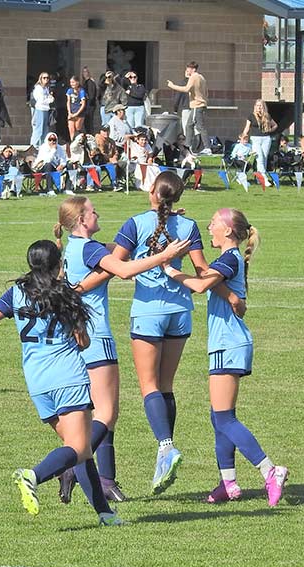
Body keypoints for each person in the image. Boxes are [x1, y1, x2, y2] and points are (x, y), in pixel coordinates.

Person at [0, 240, 123, 527]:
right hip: (67, 377)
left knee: (75, 449)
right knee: (80, 449)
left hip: (37, 382)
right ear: (57, 265)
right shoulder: (65, 294)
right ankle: (33, 475)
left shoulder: (16, 293)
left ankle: (105, 514)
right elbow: (83, 342)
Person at [54, 196, 190, 502]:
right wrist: (165, 255)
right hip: (96, 337)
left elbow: (122, 250)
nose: (98, 213)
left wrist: (161, 222)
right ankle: (71, 465)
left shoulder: (78, 246)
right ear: (82, 220)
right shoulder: (89, 249)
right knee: (107, 413)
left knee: (103, 413)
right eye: (93, 211)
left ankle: (105, 479)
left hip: (79, 335)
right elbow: (125, 270)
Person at [161, 208, 288, 506]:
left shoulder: (230, 259)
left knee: (224, 418)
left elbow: (200, 284)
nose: (209, 226)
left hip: (229, 344)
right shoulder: (228, 260)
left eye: (214, 223)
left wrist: (168, 268)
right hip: (225, 345)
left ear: (228, 230)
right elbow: (209, 276)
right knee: (218, 417)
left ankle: (270, 471)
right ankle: (227, 483)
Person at [108, 171, 214, 494]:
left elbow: (115, 263)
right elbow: (202, 270)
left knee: (149, 386)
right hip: (180, 311)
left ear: (153, 191)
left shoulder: (135, 223)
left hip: (148, 311)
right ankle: (163, 454)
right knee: (166, 385)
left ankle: (166, 447)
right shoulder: (188, 226)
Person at [166, 61, 212, 155]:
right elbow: (206, 92)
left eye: (189, 69)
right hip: (200, 104)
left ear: (193, 69)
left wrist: (172, 86)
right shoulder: (201, 77)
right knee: (189, 125)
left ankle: (207, 147)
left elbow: (186, 89)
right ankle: (188, 146)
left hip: (197, 105)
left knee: (200, 126)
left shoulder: (194, 77)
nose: (187, 70)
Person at [241, 99, 277, 183]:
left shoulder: (267, 116)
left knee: (264, 158)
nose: (259, 107)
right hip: (255, 139)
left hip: (266, 139)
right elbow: (247, 128)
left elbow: (275, 125)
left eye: (260, 105)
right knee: (259, 158)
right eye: (257, 105)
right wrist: (243, 136)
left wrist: (270, 130)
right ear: (255, 107)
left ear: (263, 107)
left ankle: (259, 178)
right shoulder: (251, 116)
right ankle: (264, 179)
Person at [30, 72, 53, 150]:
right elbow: (41, 100)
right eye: (44, 78)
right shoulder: (38, 88)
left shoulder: (46, 88)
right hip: (40, 109)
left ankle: (43, 145)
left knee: (45, 130)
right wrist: (50, 100)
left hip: (46, 109)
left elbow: (49, 97)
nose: (46, 79)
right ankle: (33, 145)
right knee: (38, 129)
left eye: (47, 78)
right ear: (41, 79)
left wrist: (49, 99)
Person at [66, 76, 86, 143]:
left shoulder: (81, 91)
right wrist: (69, 112)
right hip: (72, 112)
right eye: (71, 82)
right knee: (71, 129)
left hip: (79, 112)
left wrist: (77, 114)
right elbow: (68, 102)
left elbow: (83, 104)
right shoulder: (69, 90)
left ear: (77, 82)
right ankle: (72, 143)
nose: (71, 84)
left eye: (73, 82)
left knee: (77, 128)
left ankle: (81, 141)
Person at [81, 67, 99, 134]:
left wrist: (87, 102)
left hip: (89, 105)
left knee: (89, 122)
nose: (84, 73)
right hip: (86, 105)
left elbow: (91, 95)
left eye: (86, 71)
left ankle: (91, 135)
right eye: (83, 72)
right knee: (86, 122)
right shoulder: (85, 82)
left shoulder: (90, 82)